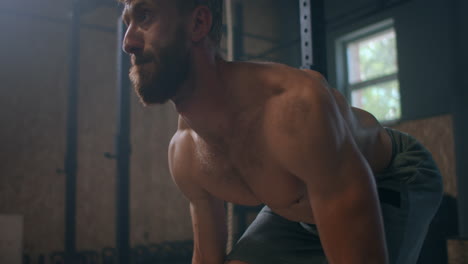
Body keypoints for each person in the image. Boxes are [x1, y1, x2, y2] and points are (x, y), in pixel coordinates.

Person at [120, 0, 443, 263]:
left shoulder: (293, 111)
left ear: (198, 24)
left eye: (144, 16)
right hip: (297, 210)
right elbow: (206, 258)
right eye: (127, 23)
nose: (128, 42)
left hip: (393, 176)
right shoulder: (185, 154)